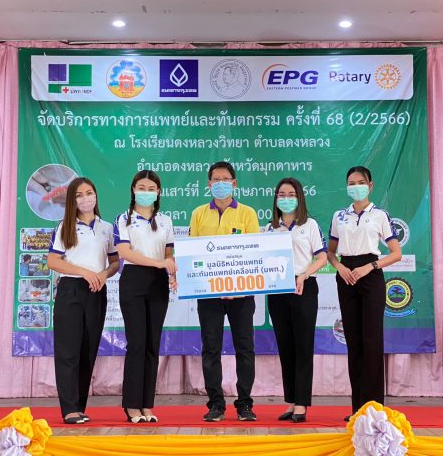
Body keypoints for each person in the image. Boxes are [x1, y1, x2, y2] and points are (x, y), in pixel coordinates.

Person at [327, 166, 402, 421]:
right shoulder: (339, 216)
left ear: (370, 186)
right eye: (351, 182)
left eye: (361, 182)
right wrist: (340, 268)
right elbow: (331, 252)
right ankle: (357, 409)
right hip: (346, 276)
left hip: (370, 275)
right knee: (354, 342)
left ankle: (373, 409)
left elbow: (396, 253)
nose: (355, 186)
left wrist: (370, 267)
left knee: (372, 341)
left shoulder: (379, 215)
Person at [189, 161, 260, 422]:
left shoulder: (247, 213)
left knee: (245, 347)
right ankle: (216, 405)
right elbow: (194, 254)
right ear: (209, 184)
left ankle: (245, 405)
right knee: (211, 348)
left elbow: (253, 252)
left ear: (234, 183)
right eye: (216, 180)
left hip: (241, 294)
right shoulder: (198, 214)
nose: (221, 184)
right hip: (209, 294)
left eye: (225, 179)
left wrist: (237, 287)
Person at [47, 177, 119, 424]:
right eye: (79, 195)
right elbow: (53, 261)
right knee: (68, 351)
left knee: (88, 350)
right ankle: (68, 409)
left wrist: (103, 274)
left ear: (96, 196)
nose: (86, 198)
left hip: (97, 291)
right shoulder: (65, 227)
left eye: (89, 193)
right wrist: (84, 272)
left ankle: (79, 406)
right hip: (71, 290)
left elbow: (115, 262)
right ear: (72, 200)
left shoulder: (107, 228)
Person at [114, 170, 176, 424]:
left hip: (158, 283)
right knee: (137, 343)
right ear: (133, 189)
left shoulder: (166, 221)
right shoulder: (123, 219)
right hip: (133, 281)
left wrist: (171, 269)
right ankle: (131, 405)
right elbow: (124, 252)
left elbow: (169, 253)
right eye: (141, 187)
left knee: (152, 344)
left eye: (151, 189)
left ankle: (147, 405)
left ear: (158, 192)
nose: (146, 192)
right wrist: (158, 262)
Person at [266, 178, 327, 423]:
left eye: (291, 194)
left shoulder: (309, 225)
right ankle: (291, 401)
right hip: (277, 290)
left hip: (304, 287)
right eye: (281, 194)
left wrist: (304, 275)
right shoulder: (269, 228)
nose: (286, 198)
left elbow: (322, 257)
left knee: (303, 346)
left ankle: (302, 403)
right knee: (285, 346)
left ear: (299, 197)